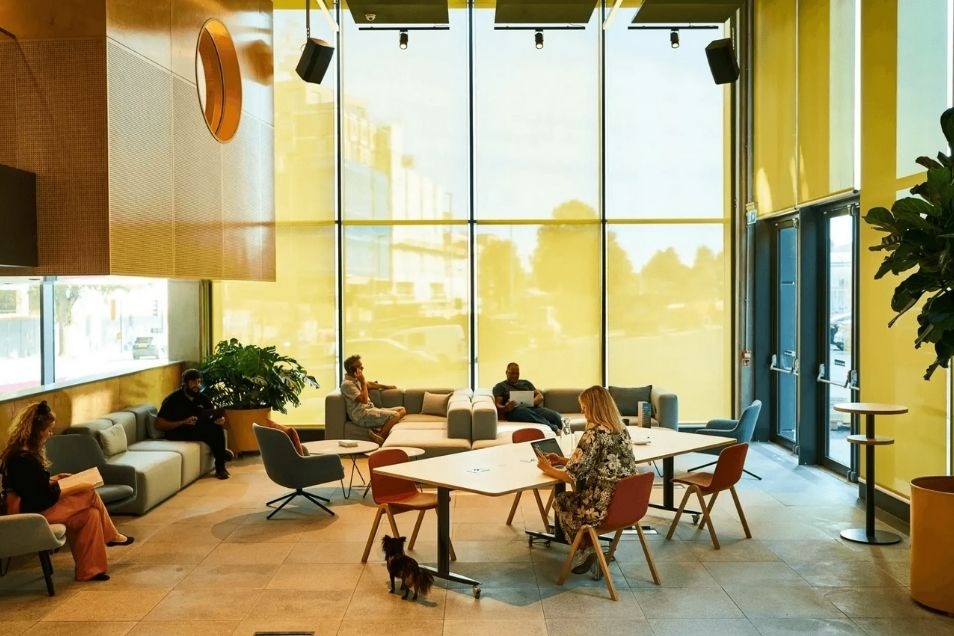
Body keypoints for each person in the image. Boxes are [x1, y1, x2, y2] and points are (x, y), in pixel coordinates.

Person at [0, 401, 133, 582]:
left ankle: (90, 571)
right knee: (87, 492)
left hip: (34, 505)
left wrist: (55, 480)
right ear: (38, 431)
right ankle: (112, 535)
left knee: (91, 515)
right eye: (48, 430)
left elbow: (32, 486)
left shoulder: (23, 453)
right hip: (29, 514)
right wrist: (74, 486)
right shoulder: (22, 460)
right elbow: (41, 498)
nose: (50, 434)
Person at [535, 385, 638, 576]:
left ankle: (587, 549)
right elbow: (596, 462)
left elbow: (571, 475)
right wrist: (563, 460)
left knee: (562, 500)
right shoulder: (621, 430)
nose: (582, 412)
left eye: (584, 407)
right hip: (626, 506)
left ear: (594, 407)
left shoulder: (593, 433)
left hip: (601, 508)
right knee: (575, 495)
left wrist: (548, 468)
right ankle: (590, 548)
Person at [156, 368, 233, 479]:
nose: (197, 385)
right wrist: (183, 422)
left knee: (216, 428)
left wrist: (219, 420)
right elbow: (158, 424)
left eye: (198, 381)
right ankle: (221, 452)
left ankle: (220, 468)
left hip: (196, 429)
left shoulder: (203, 398)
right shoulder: (173, 399)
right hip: (178, 431)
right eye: (193, 382)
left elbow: (211, 414)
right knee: (211, 433)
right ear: (185, 383)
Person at [340, 354, 405, 445]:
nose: (362, 368)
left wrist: (389, 387)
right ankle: (381, 436)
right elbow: (364, 400)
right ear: (352, 369)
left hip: (371, 410)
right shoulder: (347, 384)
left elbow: (369, 384)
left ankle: (379, 429)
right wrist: (362, 381)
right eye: (360, 366)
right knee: (395, 415)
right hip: (362, 415)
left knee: (402, 409)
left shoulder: (355, 379)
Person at [492, 362, 563, 432]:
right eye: (512, 373)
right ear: (506, 372)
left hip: (533, 408)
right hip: (514, 411)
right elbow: (497, 405)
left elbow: (540, 396)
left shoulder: (526, 383)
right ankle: (554, 429)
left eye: (517, 373)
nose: (514, 376)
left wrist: (530, 402)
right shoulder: (500, 386)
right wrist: (506, 407)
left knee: (555, 415)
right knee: (523, 411)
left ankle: (564, 433)